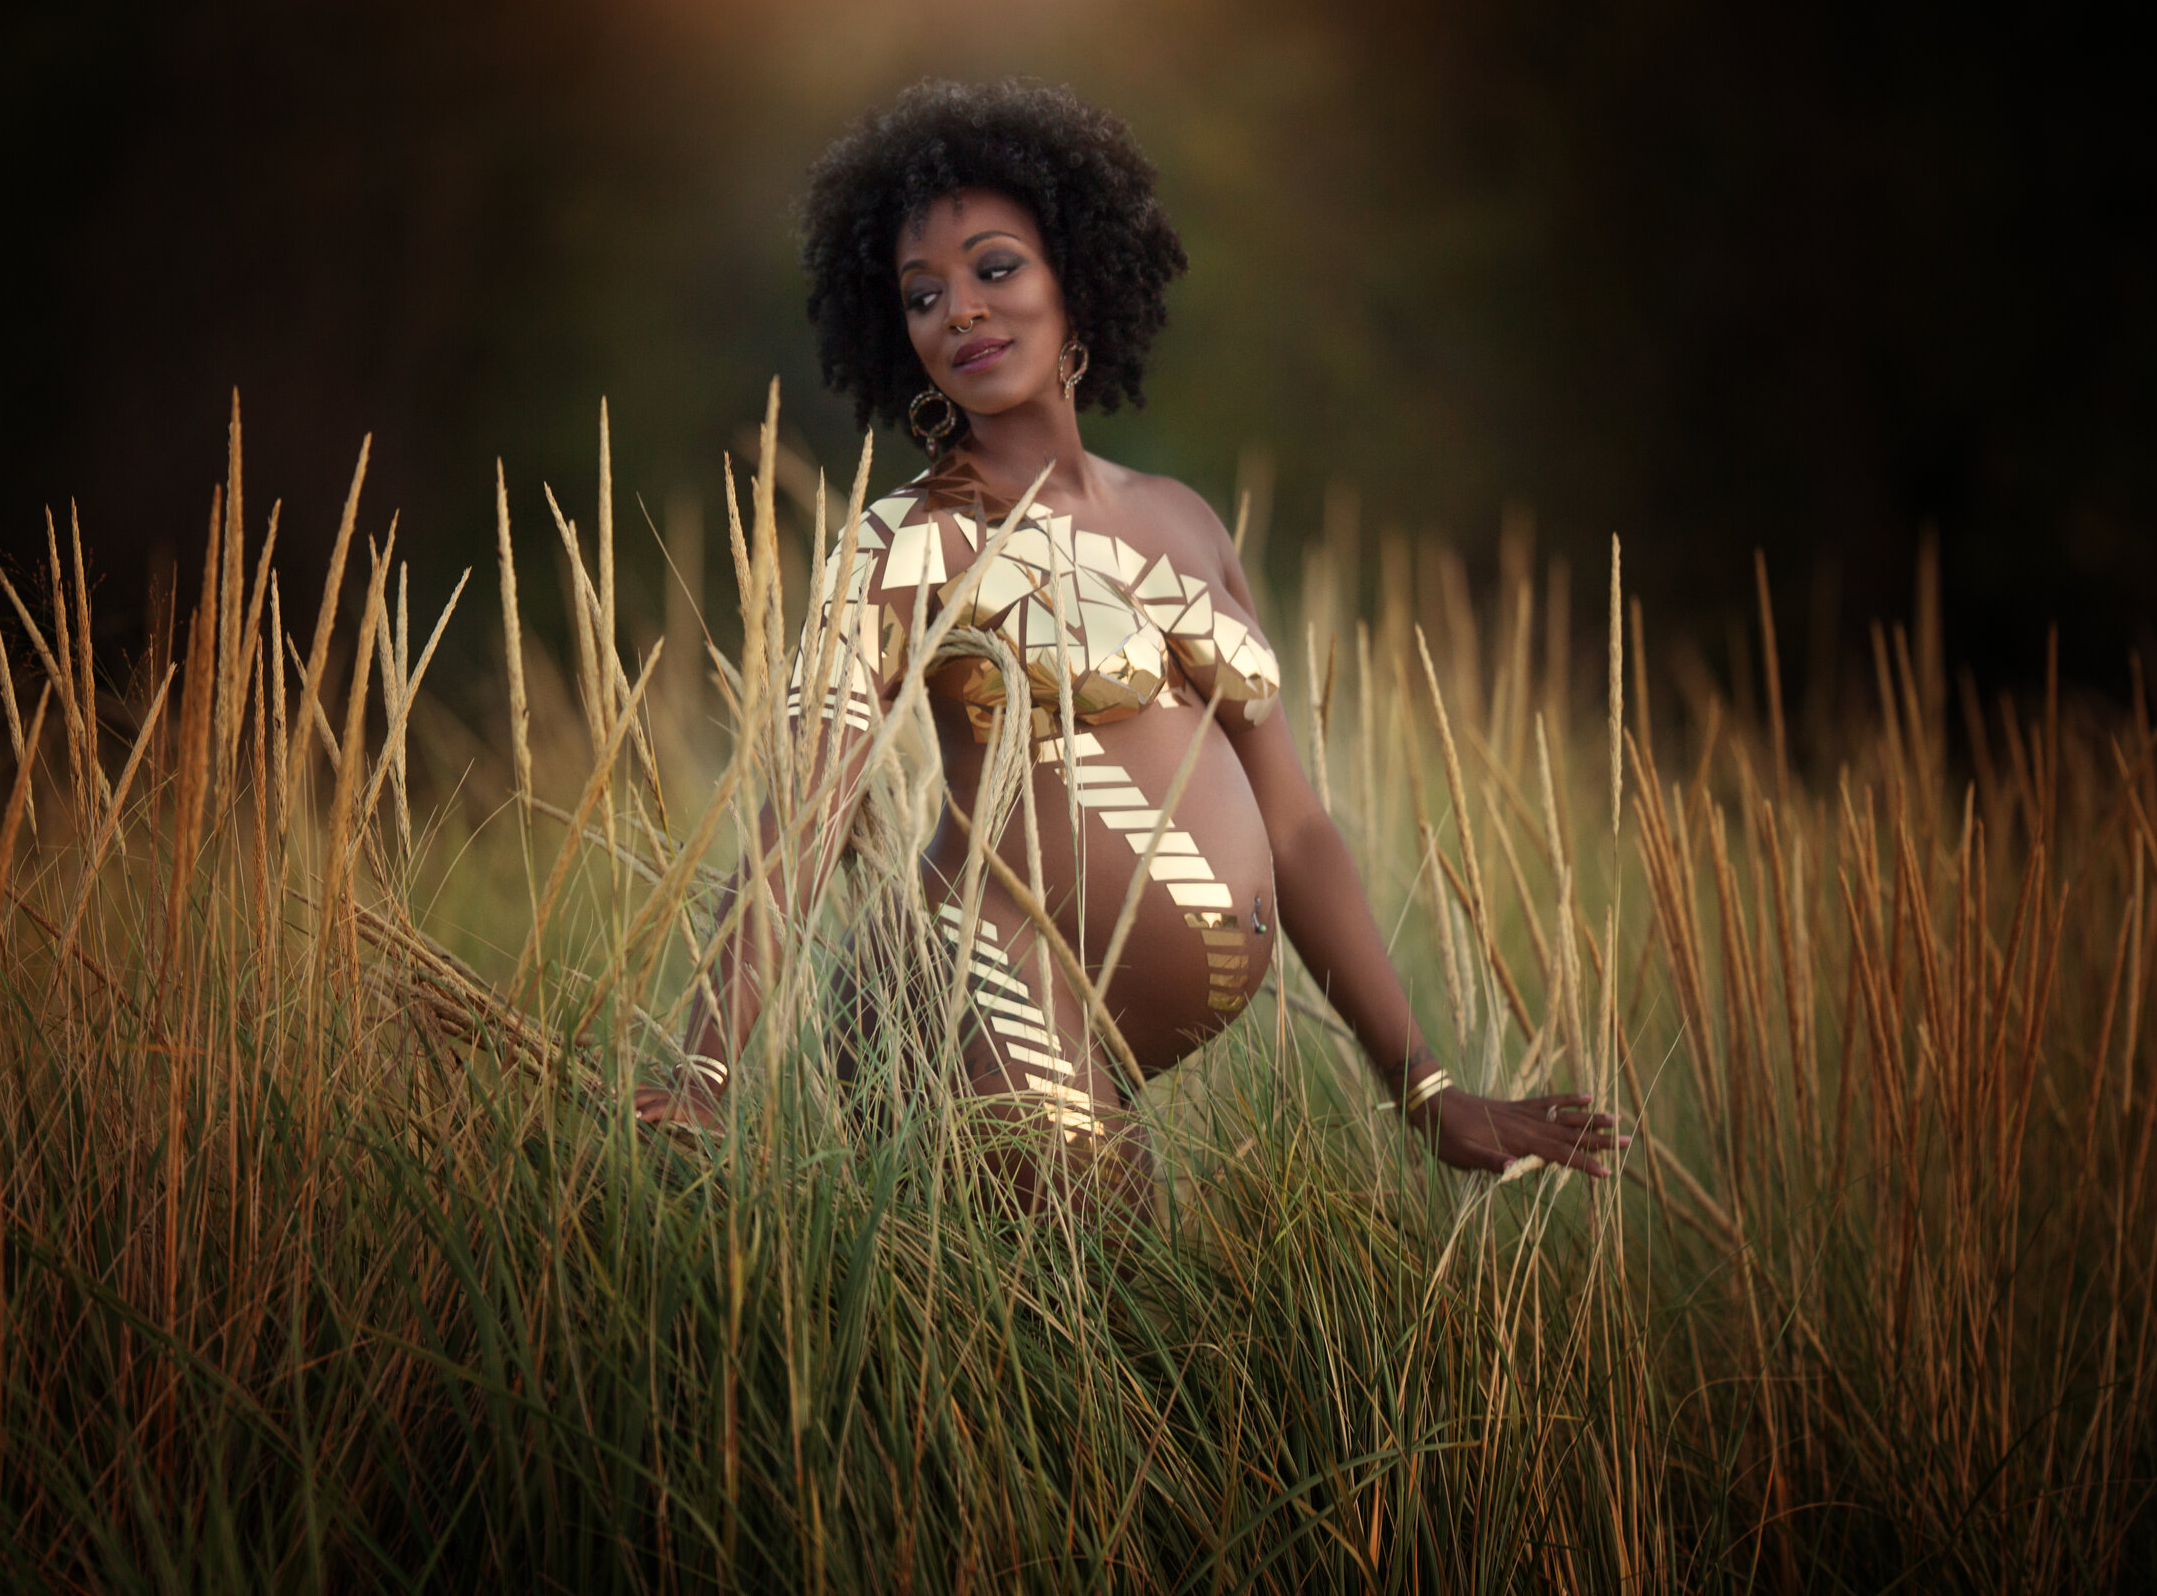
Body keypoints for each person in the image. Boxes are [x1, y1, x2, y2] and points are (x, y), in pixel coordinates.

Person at [633, 80, 1626, 1205]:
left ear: (1079, 275)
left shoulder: (1184, 521)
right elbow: (808, 808)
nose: (957, 309)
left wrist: (1427, 1089)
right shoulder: (905, 545)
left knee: (1103, 1340)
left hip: (1090, 1032)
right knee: (1124, 1295)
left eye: (994, 267)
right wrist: (702, 1064)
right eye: (921, 294)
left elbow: (1296, 831)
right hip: (972, 981)